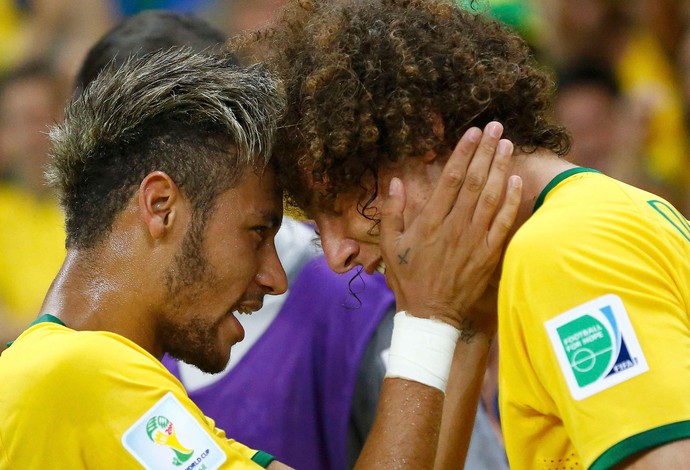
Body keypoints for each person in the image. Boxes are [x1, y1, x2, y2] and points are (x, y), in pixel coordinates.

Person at [0, 45, 520, 469]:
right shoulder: (80, 374)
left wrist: (465, 326)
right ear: (161, 207)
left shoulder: (93, 384)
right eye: (257, 231)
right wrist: (428, 315)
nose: (275, 278)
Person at [238, 0, 690, 468]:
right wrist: (461, 326)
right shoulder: (545, 248)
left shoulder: (561, 248)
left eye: (347, 201)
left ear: (423, 137)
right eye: (316, 221)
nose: (336, 254)